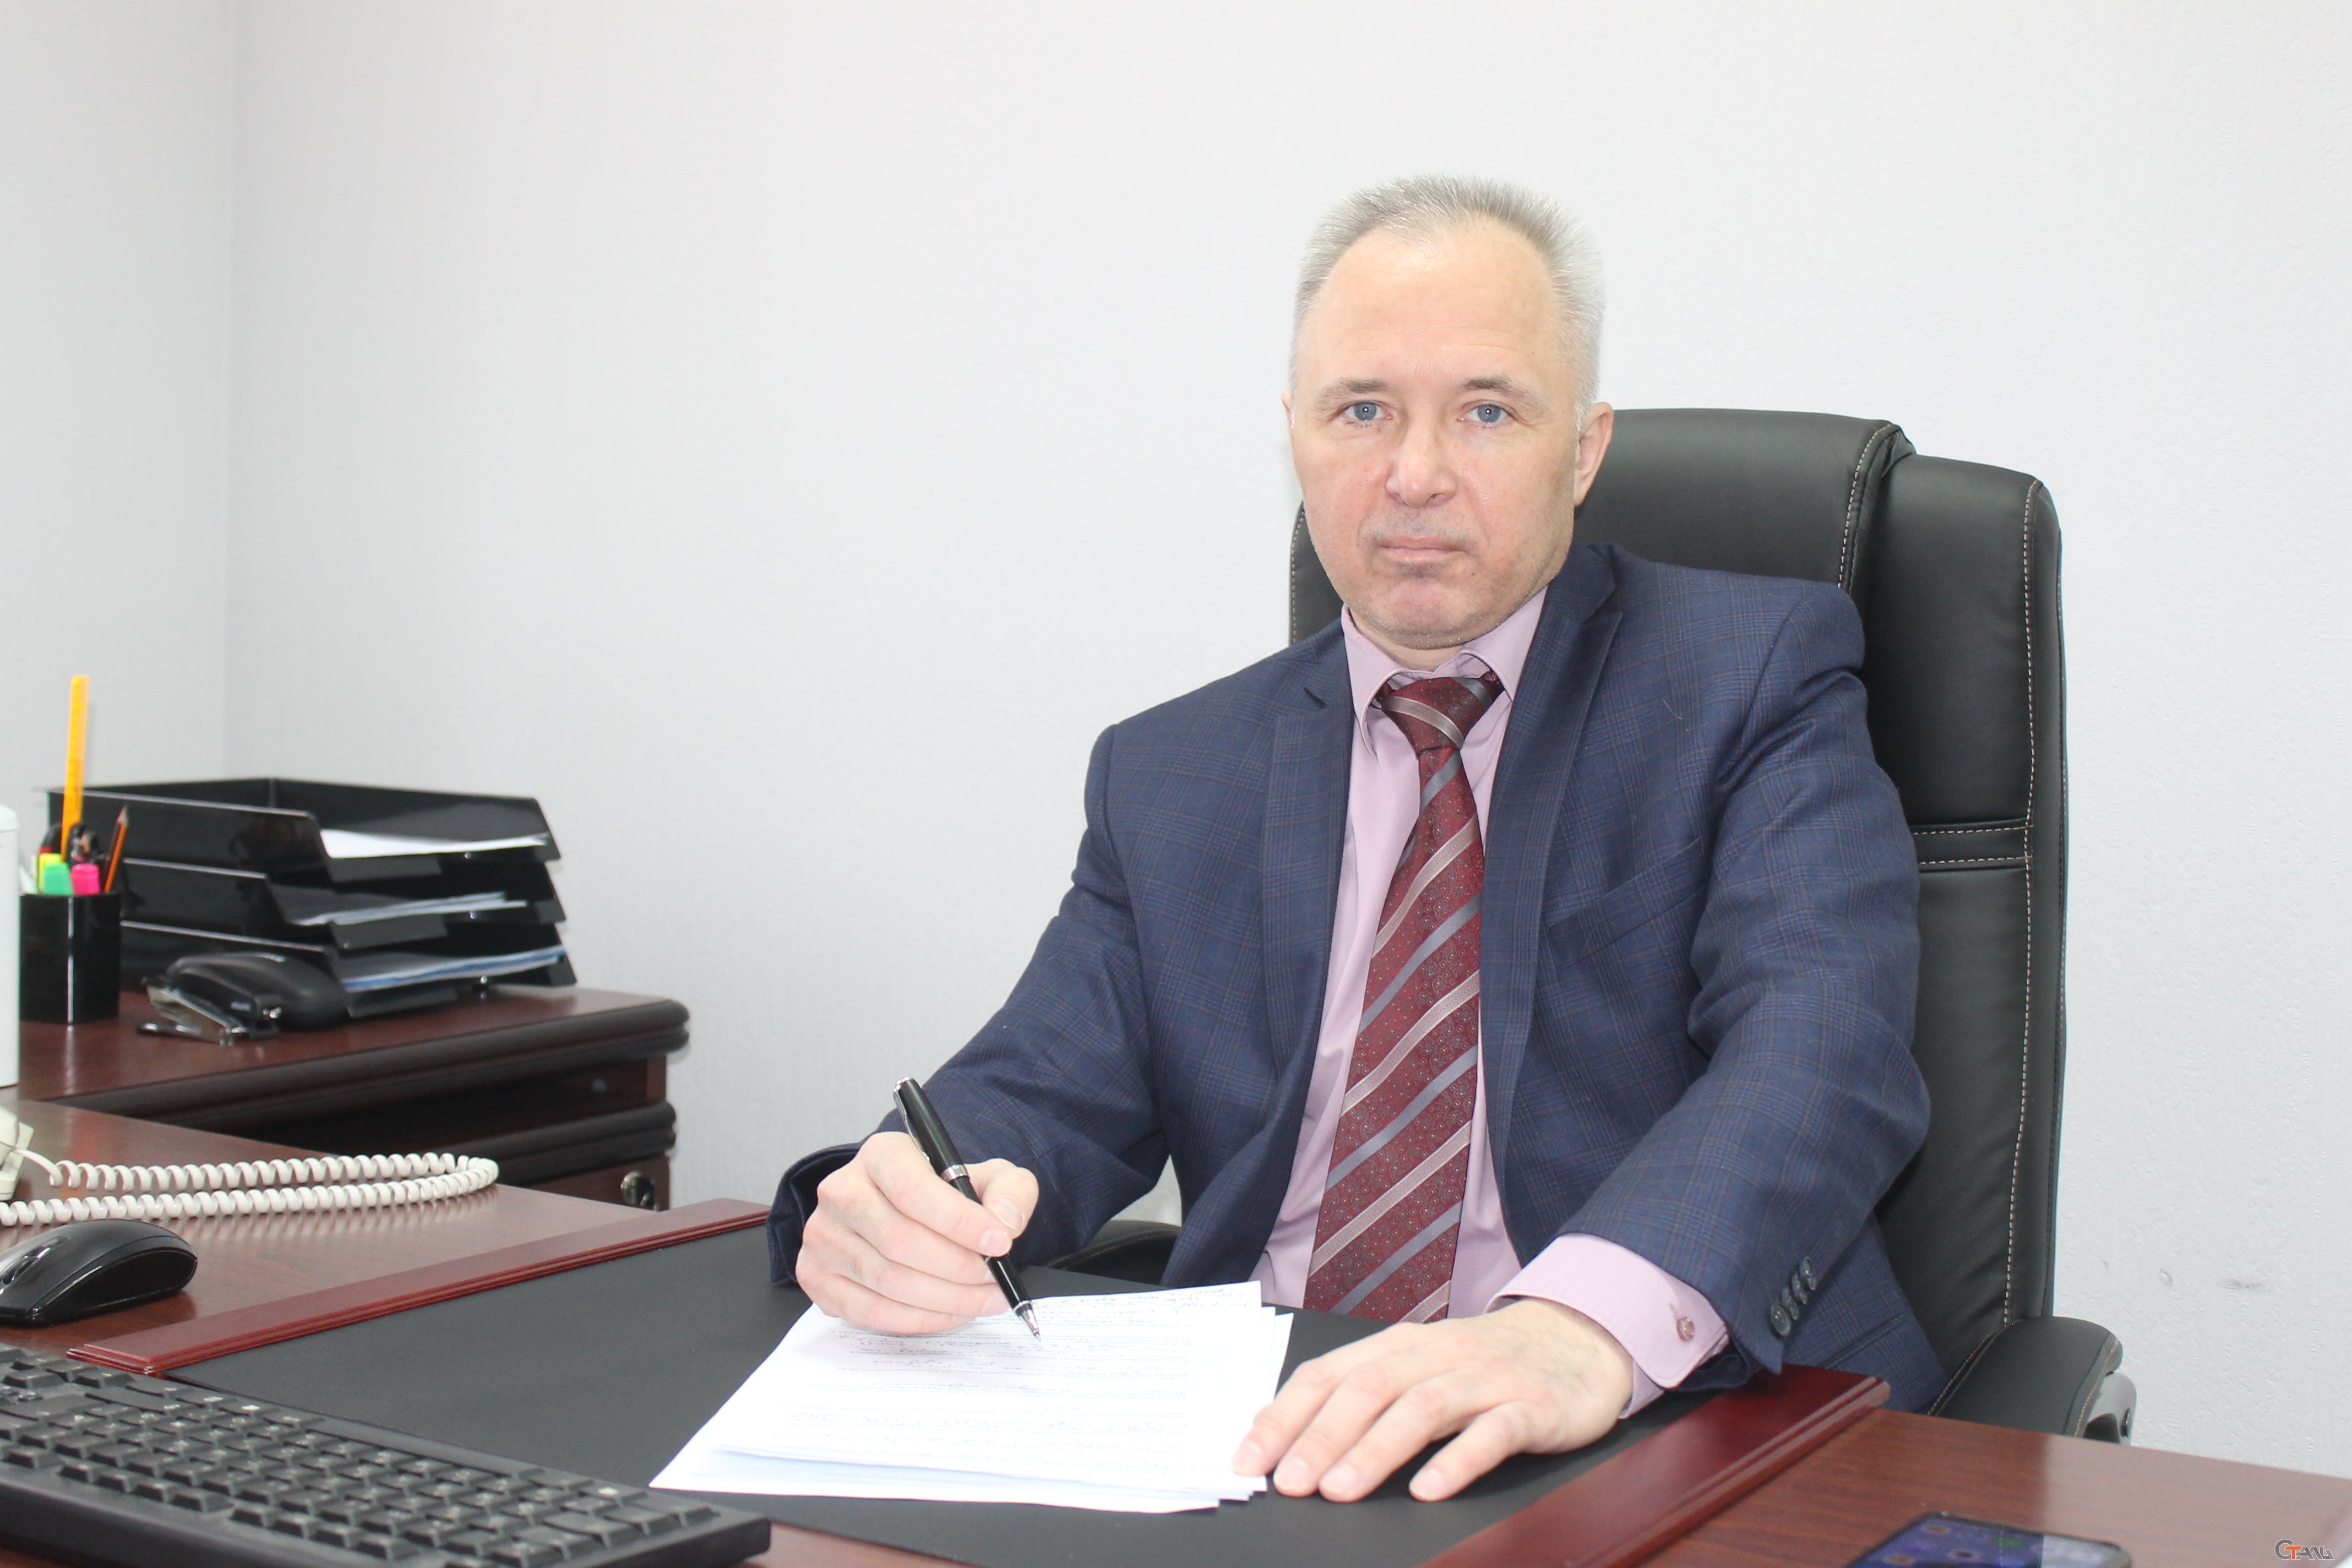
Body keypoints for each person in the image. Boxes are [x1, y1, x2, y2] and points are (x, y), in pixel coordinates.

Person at [767, 175, 1943, 1504]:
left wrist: (1575, 1328)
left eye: (1487, 410)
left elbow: (1822, 1045)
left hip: (1665, 1424)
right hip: (1261, 1444)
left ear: (1584, 448)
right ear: (1297, 438)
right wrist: (897, 1202)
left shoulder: (1750, 675)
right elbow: (1035, 1090)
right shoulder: (1173, 771)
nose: (1415, 475)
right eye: (1362, 410)